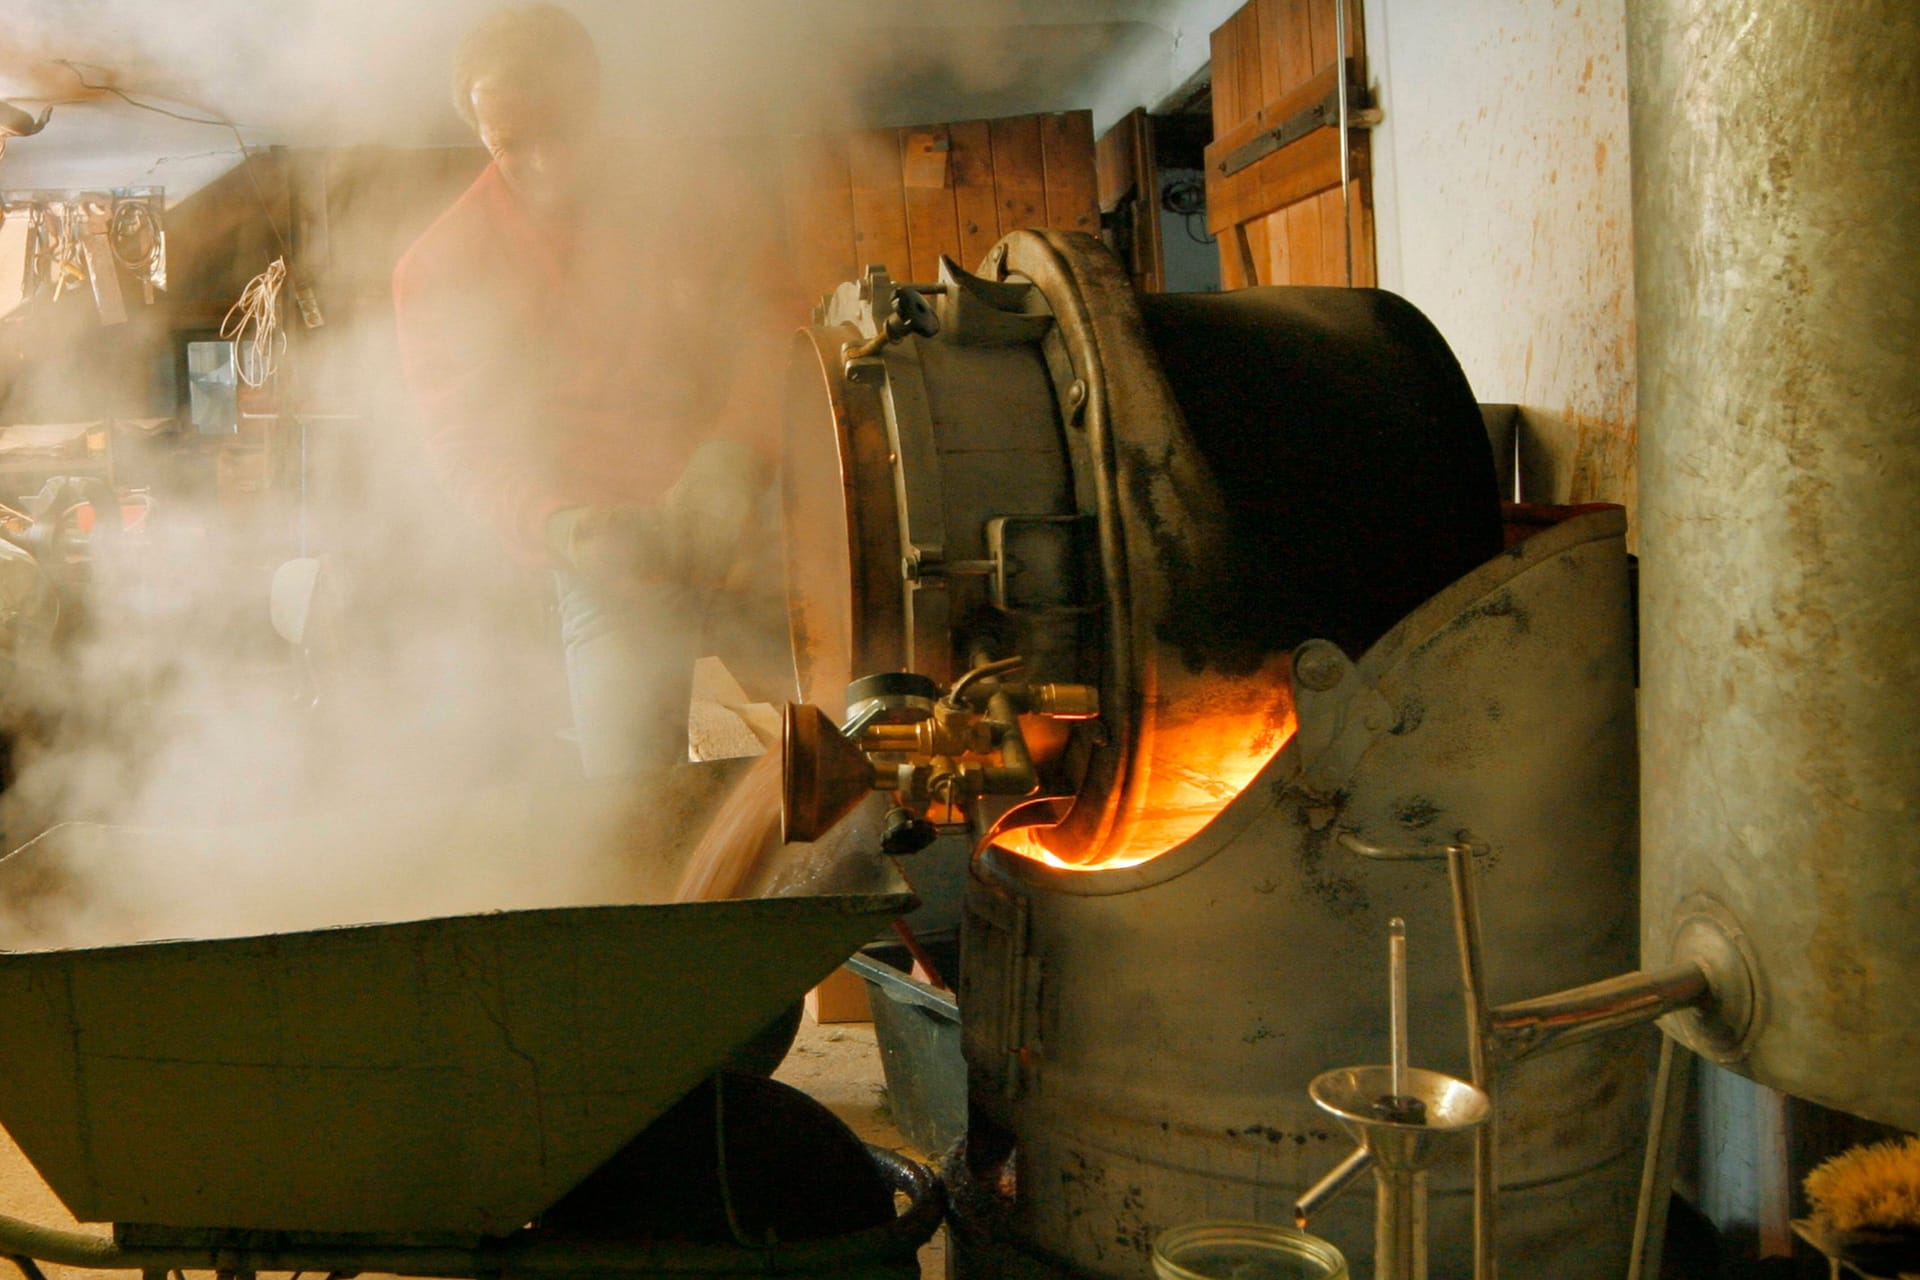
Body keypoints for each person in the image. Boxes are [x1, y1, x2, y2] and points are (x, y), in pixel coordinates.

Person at [392, 4, 791, 777]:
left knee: (823, 769)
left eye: (562, 129)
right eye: (513, 145)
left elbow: (773, 323)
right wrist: (561, 526)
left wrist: (736, 452)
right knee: (632, 798)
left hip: (761, 514)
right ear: (478, 132)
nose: (547, 165)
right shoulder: (441, 266)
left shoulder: (695, 191)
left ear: (596, 97)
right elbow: (462, 446)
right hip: (615, 566)